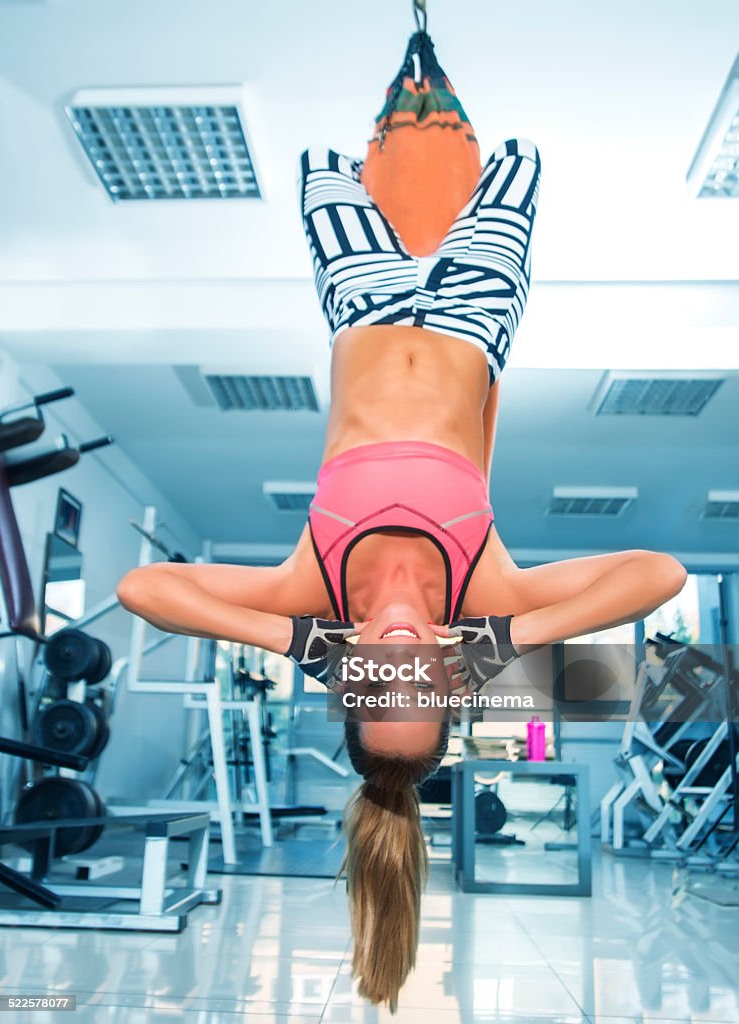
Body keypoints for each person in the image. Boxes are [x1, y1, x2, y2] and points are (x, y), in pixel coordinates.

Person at [116, 38, 687, 1014]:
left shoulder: (313, 591)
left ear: (349, 682)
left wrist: (298, 638)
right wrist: (500, 644)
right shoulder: (485, 594)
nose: (397, 660)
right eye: (421, 682)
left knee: (317, 170)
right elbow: (661, 571)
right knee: (517, 162)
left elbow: (144, 592)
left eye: (376, 683)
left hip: (363, 308)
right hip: (472, 317)